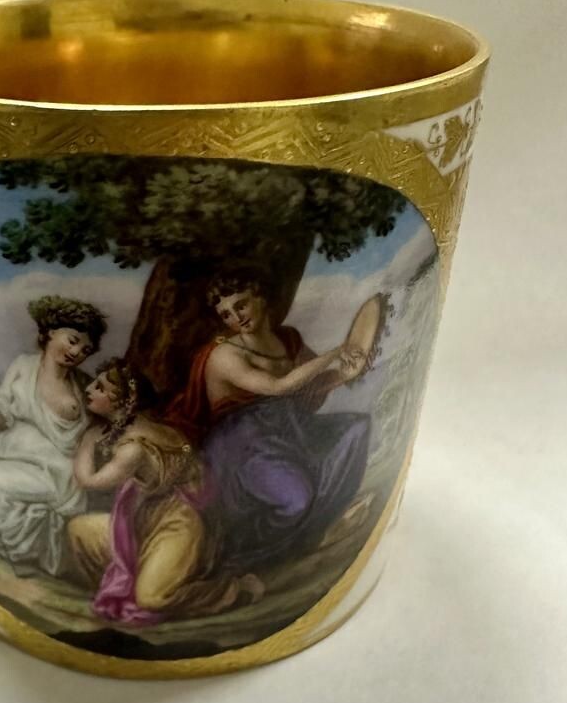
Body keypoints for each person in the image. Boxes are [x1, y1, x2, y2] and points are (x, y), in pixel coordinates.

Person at [165, 266, 382, 571]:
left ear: (261, 297)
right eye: (226, 314)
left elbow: (308, 388)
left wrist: (346, 372)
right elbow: (279, 387)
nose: (236, 317)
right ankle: (245, 559)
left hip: (285, 429)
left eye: (241, 305)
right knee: (296, 498)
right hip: (241, 448)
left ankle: (314, 531)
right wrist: (337, 352)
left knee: (356, 429)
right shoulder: (224, 355)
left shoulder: (288, 339)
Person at [68, 359, 262, 625]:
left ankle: (235, 590)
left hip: (179, 524)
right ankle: (127, 586)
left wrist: (86, 441)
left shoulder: (133, 447)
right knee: (79, 530)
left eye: (100, 387)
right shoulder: (130, 428)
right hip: (142, 519)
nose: (89, 388)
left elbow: (89, 481)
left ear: (123, 402)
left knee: (151, 598)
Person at [0, 296, 106, 576]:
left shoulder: (82, 388)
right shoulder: (23, 365)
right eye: (72, 340)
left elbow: (96, 435)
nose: (76, 352)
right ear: (51, 332)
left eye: (85, 349)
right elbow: (0, 413)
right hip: (13, 449)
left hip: (53, 471)